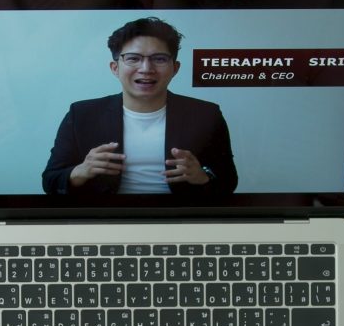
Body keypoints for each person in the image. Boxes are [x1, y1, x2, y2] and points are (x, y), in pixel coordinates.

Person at [40, 17, 239, 199]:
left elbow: (229, 182)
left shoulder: (206, 114)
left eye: (159, 59)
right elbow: (50, 182)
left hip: (182, 217)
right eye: (133, 58)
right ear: (115, 68)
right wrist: (80, 171)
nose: (146, 68)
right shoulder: (82, 114)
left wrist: (202, 177)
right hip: (104, 218)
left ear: (175, 68)